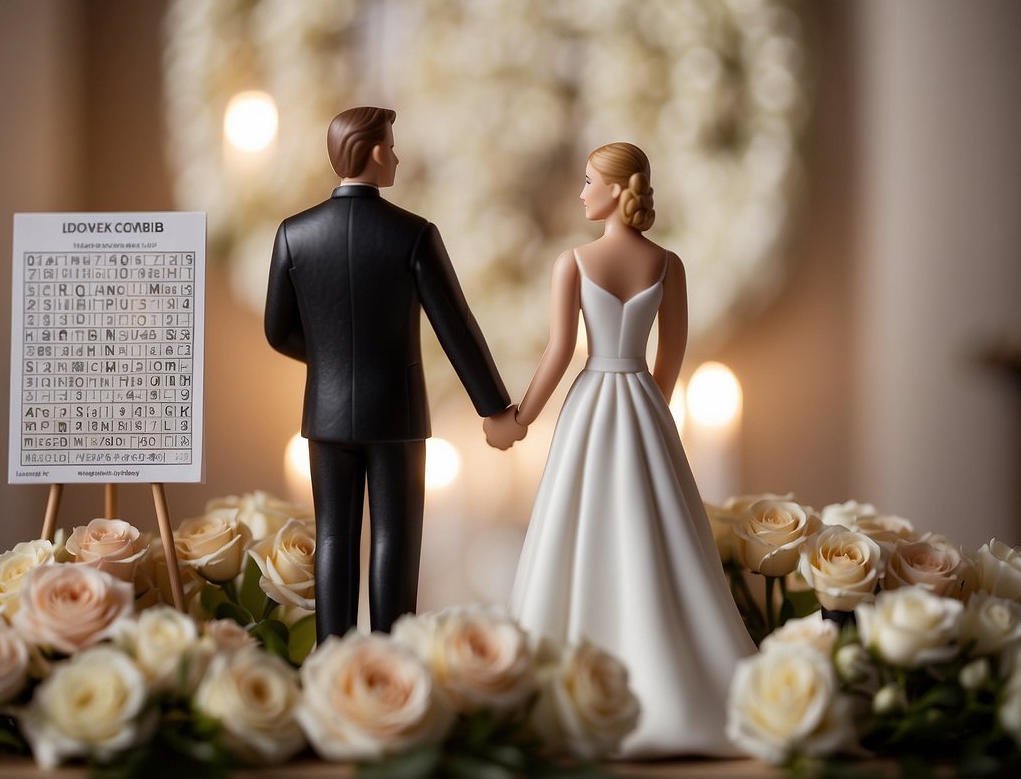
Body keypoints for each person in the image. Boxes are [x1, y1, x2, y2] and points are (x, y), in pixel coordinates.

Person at [498, 143, 756, 758]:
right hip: (639, 394)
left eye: (589, 182)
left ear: (616, 191)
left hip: (591, 400)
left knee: (581, 520)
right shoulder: (667, 264)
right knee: (652, 523)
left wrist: (519, 420)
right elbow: (673, 351)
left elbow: (560, 354)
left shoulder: (575, 263)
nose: (583, 191)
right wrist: (653, 409)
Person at [265, 107, 522, 643]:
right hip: (398, 415)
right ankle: (392, 653)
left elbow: (277, 331)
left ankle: (330, 656)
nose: (397, 156)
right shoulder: (413, 234)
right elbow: (457, 329)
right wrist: (494, 408)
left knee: (334, 537)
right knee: (395, 540)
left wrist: (334, 360)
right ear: (374, 151)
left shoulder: (294, 234)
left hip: (326, 414)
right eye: (391, 145)